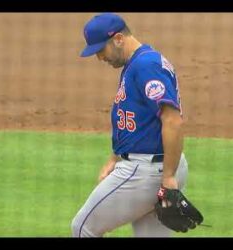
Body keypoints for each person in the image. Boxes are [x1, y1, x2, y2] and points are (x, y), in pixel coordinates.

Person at [71, 13, 190, 237]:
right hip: (154, 166)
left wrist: (168, 177)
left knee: (82, 228)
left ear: (118, 39)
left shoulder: (146, 65)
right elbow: (140, 120)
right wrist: (116, 157)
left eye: (100, 50)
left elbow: (172, 120)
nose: (99, 58)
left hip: (146, 172)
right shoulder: (138, 62)